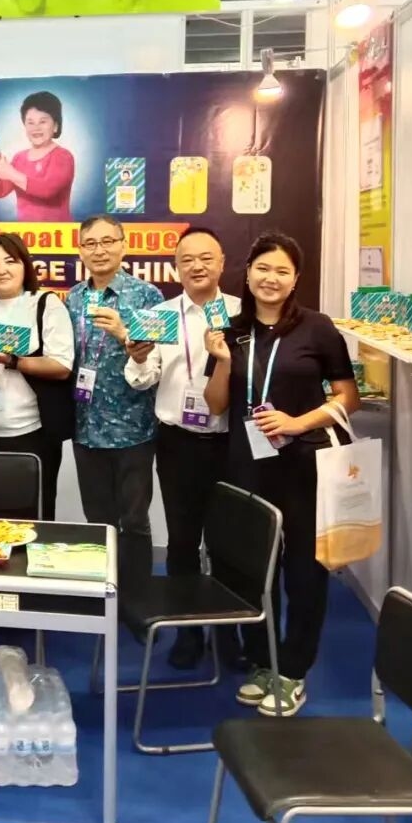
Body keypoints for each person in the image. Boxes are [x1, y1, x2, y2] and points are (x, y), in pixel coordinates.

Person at [204, 231, 360, 718]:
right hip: (246, 463)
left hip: (304, 463)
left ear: (295, 280)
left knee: (304, 572)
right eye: (263, 268)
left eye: (282, 271)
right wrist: (223, 363)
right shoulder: (230, 330)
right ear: (248, 273)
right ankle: (260, 660)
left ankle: (293, 670)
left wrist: (297, 422)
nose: (271, 279)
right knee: (251, 567)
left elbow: (348, 396)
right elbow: (216, 404)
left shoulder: (318, 329)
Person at [125, 227, 241, 669]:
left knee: (230, 542)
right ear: (176, 267)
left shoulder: (243, 313)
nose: (197, 266)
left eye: (206, 258)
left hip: (232, 442)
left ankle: (230, 633)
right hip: (179, 443)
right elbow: (143, 379)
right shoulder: (159, 316)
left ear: (222, 262)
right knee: (182, 541)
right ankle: (188, 632)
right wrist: (138, 356)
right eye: (187, 259)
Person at [66, 215, 163, 593]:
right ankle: (102, 594)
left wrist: (126, 334)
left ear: (123, 245)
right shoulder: (74, 297)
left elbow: (156, 363)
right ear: (80, 251)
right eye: (90, 243)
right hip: (86, 426)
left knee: (134, 520)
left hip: (133, 427)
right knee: (97, 520)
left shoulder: (147, 296)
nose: (100, 250)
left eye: (108, 241)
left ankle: (137, 598)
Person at [0, 234, 74, 520]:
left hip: (30, 435)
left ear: (25, 264)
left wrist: (13, 361)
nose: (1, 270)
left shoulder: (45, 304)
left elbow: (62, 366)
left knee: (32, 521)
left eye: (10, 261)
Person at [0, 90, 75, 222]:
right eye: (30, 122)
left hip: (57, 232)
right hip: (26, 232)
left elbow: (47, 190)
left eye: (43, 121)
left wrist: (11, 174)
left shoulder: (63, 156)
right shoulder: (19, 158)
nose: (36, 128)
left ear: (55, 126)